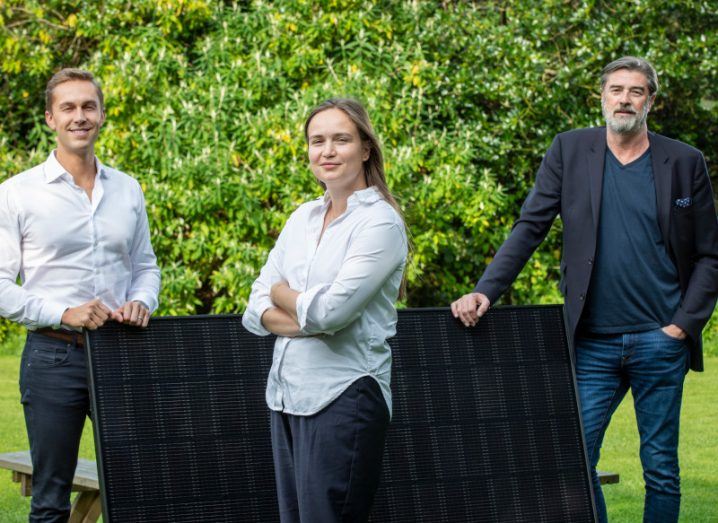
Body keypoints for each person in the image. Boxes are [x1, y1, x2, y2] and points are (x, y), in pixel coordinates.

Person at [451, 56, 718, 522]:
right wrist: (485, 291)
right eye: (616, 89)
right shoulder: (570, 151)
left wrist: (682, 325)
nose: (625, 99)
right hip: (592, 342)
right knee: (573, 461)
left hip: (661, 341)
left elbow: (710, 254)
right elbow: (530, 227)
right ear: (601, 96)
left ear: (651, 101)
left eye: (636, 91)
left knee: (661, 469)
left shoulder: (684, 161)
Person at [0, 68, 161, 522]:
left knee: (144, 484)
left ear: (102, 115)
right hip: (54, 358)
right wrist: (63, 312)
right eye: (68, 107)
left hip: (121, 351)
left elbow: (145, 267)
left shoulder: (127, 189)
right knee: (51, 497)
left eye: (88, 106)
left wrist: (142, 301)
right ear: (50, 118)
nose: (79, 116)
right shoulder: (16, 194)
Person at [242, 98, 408, 522]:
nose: (327, 151)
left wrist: (286, 297)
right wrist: (302, 314)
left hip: (344, 396)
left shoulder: (380, 223)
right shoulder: (302, 218)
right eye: (318, 141)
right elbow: (255, 303)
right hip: (286, 394)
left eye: (341, 139)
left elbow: (331, 314)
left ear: (365, 148)